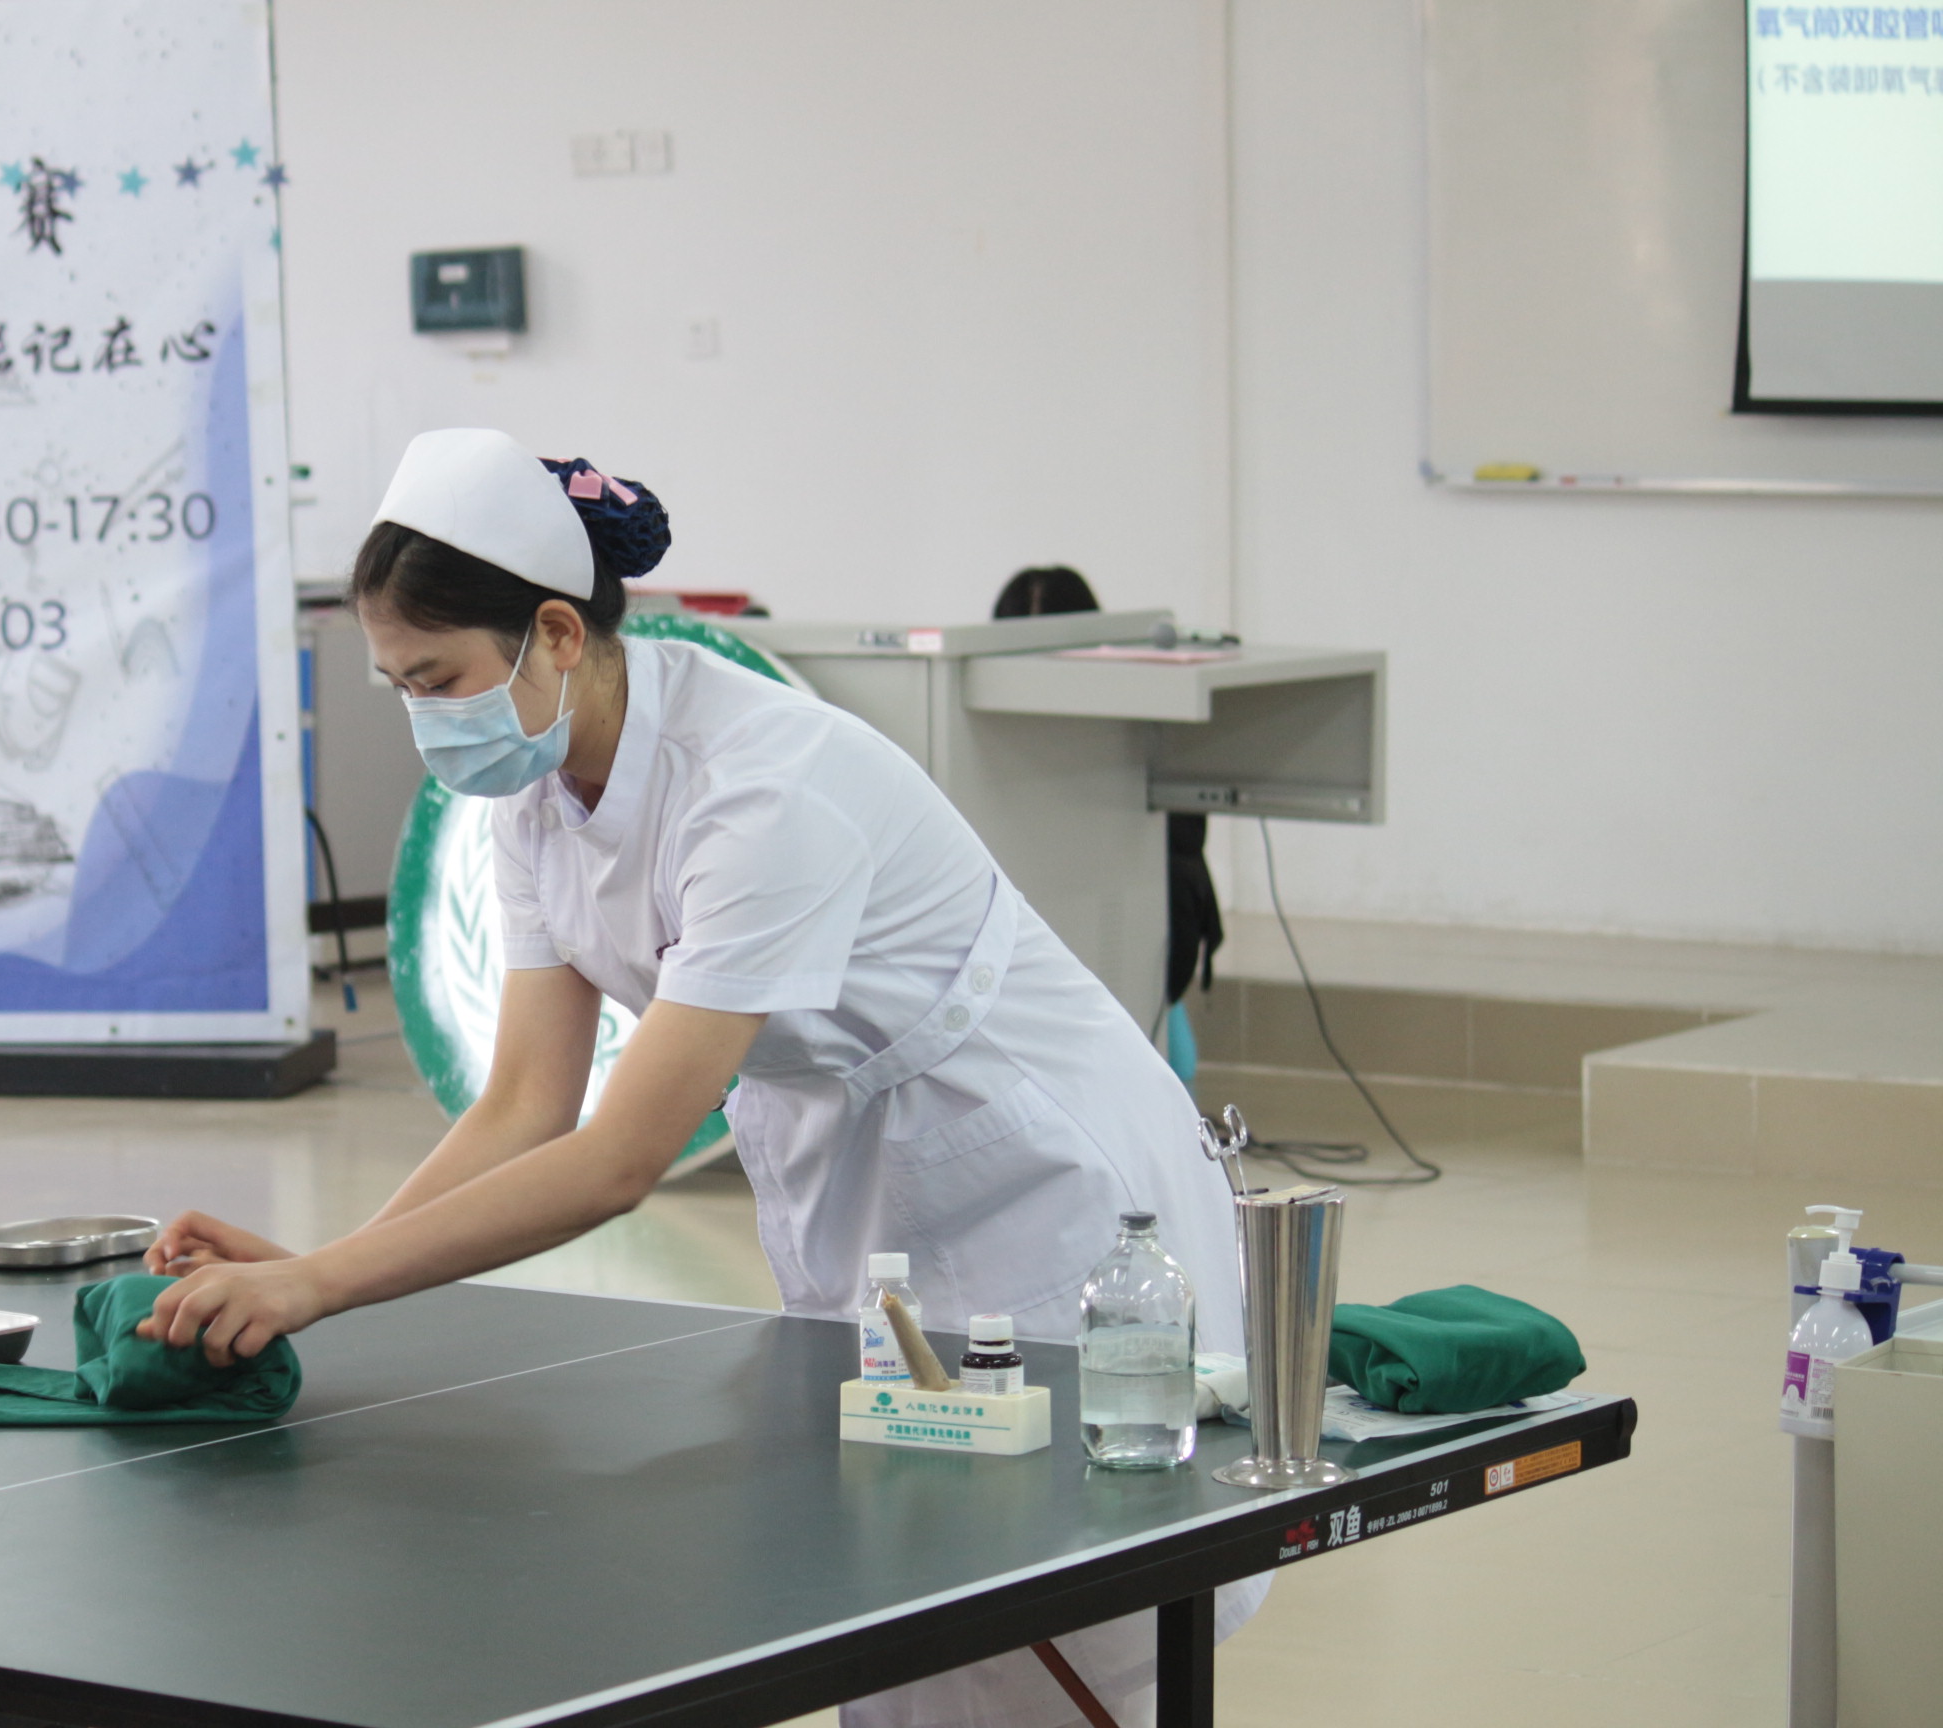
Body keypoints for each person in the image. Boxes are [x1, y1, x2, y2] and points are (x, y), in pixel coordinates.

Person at [141, 428, 1261, 1728]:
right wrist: (322, 1274)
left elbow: (620, 1158)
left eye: (437, 679)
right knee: (901, 1608)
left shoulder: (763, 788)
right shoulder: (532, 799)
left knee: (1060, 1623)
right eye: (397, 686)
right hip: (876, 1182)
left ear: (557, 633)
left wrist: (322, 1284)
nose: (424, 720)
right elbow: (524, 1105)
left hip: (1040, 1188)